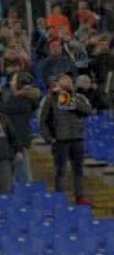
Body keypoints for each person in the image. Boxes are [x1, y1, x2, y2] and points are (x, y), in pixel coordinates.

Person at [39, 73, 94, 205]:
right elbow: (43, 121)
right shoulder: (50, 99)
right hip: (60, 140)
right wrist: (49, 139)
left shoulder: (79, 97)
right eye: (63, 80)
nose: (67, 82)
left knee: (78, 170)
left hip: (77, 138)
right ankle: (60, 198)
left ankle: (80, 197)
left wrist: (72, 100)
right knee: (60, 171)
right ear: (58, 83)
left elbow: (87, 111)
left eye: (69, 80)